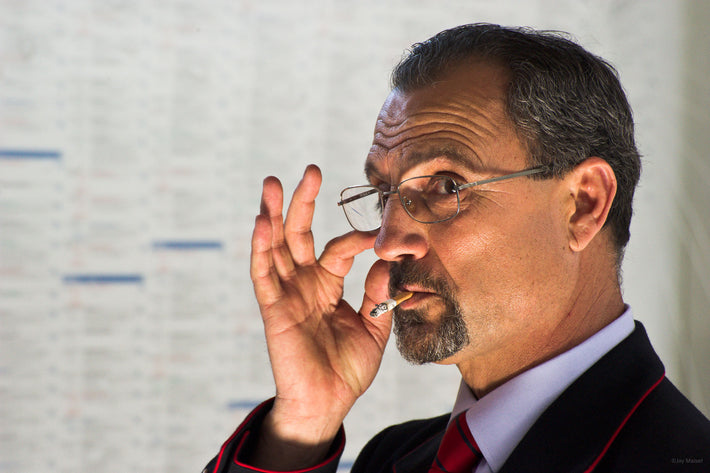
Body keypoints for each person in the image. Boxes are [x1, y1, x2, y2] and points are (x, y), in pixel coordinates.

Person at [204, 24, 710, 473]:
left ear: (583, 205)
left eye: (448, 186)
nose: (386, 243)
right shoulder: (391, 457)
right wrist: (303, 424)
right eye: (385, 195)